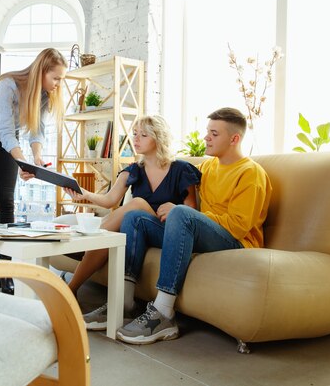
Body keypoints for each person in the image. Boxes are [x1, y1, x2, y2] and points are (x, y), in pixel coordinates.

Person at [114, 107, 272, 344]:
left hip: (236, 242)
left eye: (214, 133)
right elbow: (187, 200)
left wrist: (183, 213)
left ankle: (164, 313)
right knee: (135, 218)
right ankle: (123, 301)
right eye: (207, 131)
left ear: (234, 139)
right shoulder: (208, 168)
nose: (206, 137)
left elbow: (238, 226)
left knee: (181, 213)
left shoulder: (250, 173)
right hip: (204, 234)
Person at [63, 115, 201, 323]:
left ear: (159, 138)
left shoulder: (181, 169)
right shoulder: (133, 170)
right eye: (135, 134)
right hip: (139, 228)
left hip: (169, 232)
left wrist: (174, 209)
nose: (136, 139)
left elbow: (191, 209)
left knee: (136, 204)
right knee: (112, 233)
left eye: (143, 135)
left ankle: (87, 237)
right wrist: (85, 193)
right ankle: (70, 289)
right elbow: (110, 200)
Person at [0, 48, 67, 295]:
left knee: (7, 200)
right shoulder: (7, 86)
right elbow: (6, 133)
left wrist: (37, 158)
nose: (58, 84)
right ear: (42, 72)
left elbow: (35, 131)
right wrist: (23, 162)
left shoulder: (43, 95)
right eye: (56, 78)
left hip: (6, 142)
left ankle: (4, 272)